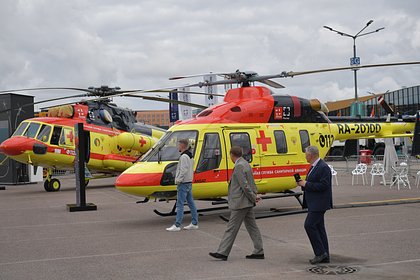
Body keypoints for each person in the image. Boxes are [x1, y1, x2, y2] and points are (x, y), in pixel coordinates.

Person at [209, 146, 264, 261]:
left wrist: (253, 197)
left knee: (231, 228)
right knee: (252, 227)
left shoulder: (239, 166)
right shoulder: (245, 163)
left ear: (232, 155)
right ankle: (259, 251)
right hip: (246, 202)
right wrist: (254, 196)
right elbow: (251, 183)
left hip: (240, 203)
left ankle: (223, 252)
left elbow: (244, 186)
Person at [297, 145, 333, 264]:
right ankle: (325, 254)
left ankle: (320, 253)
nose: (305, 156)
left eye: (306, 154)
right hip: (314, 203)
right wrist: (304, 184)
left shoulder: (323, 167)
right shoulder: (314, 166)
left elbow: (324, 185)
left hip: (319, 203)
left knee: (309, 225)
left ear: (311, 155)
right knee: (319, 228)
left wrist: (306, 184)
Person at [166, 139, 198, 232]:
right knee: (191, 203)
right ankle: (194, 223)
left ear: (183, 146)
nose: (178, 147)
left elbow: (183, 170)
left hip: (183, 183)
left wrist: (178, 180)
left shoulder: (183, 157)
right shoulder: (190, 156)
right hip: (188, 182)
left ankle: (177, 224)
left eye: (179, 145)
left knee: (180, 204)